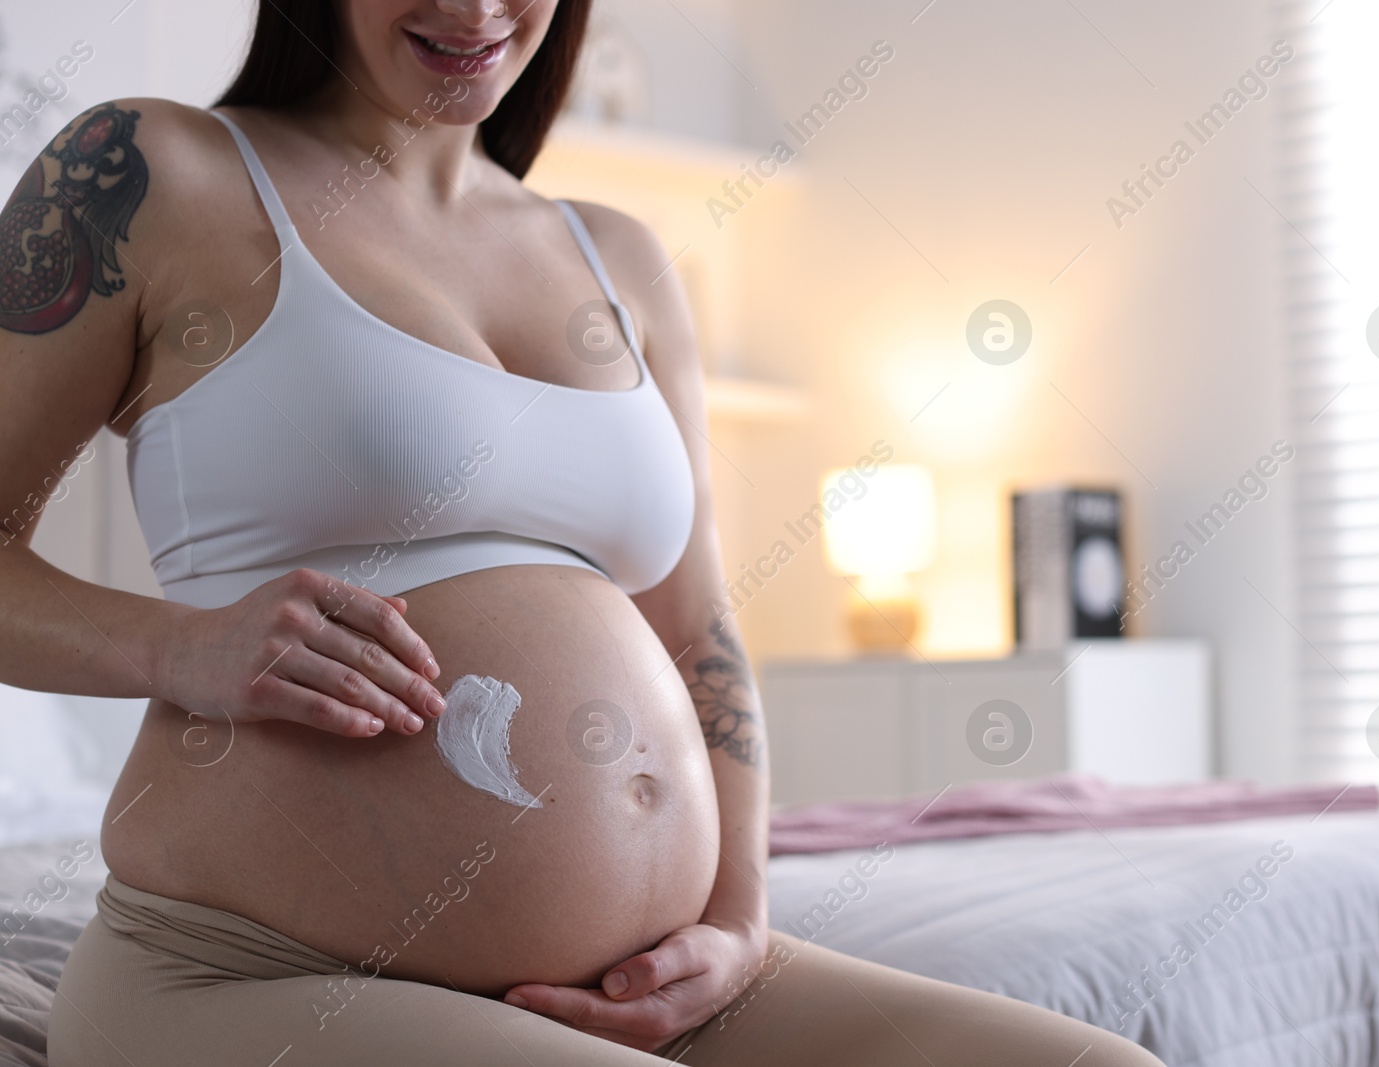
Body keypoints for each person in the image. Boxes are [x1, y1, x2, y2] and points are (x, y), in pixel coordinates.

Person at [0, 1, 1164, 1063]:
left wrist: (739, 925)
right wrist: (178, 646)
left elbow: (701, 633)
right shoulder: (151, 174)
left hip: (639, 983)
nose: (471, 7)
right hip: (251, 976)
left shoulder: (626, 260)